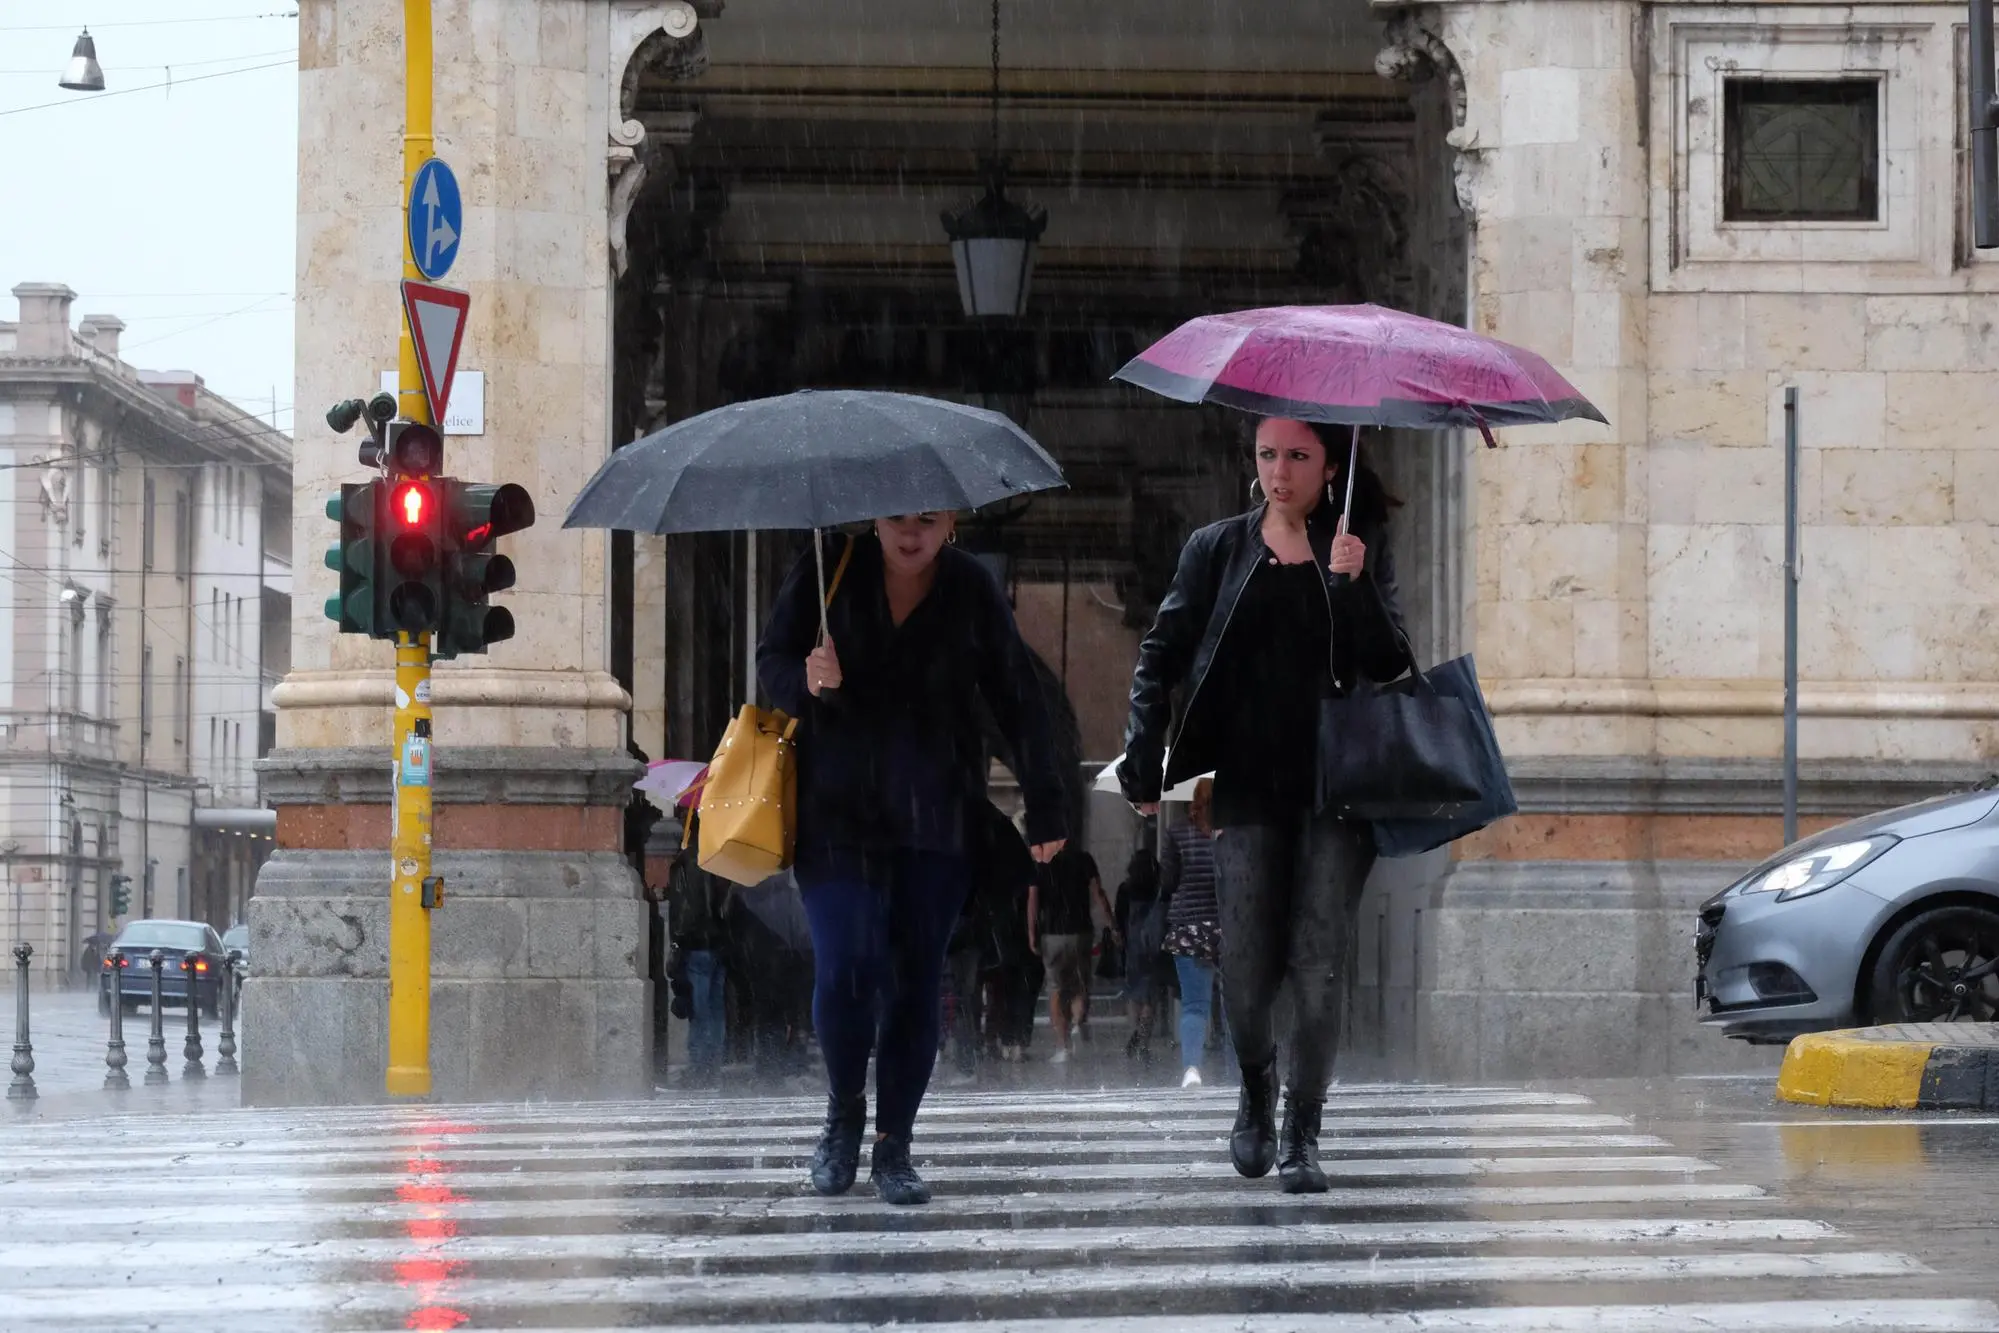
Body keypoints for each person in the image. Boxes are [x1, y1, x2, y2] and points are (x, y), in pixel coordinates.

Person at [1119, 417, 1409, 1194]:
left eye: (1297, 456)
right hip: (1246, 785)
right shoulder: (1217, 547)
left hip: (1336, 788)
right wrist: (1143, 757)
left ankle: (1301, 1130)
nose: (1280, 471)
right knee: (1245, 973)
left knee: (1316, 969)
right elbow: (1162, 653)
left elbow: (1391, 662)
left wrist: (1352, 586)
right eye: (1267, 455)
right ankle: (1254, 1085)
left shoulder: (1359, 543)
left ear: (1330, 464)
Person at [758, 513, 1068, 1206]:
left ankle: (893, 1143)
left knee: (914, 980)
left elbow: (1018, 697)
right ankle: (843, 1110)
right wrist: (805, 679)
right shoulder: (826, 566)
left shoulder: (972, 590)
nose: (910, 533)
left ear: (950, 521)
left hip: (936, 818)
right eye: (898, 517)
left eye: (927, 519)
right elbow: (770, 663)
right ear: (875, 516)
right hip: (836, 814)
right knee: (844, 966)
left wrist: (1048, 804)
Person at [1160, 777, 1230, 1087]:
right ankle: (1238, 1071)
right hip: (1229, 926)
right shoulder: (1232, 832)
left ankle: (1192, 1069)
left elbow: (1168, 882)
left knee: (1194, 1004)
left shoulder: (1177, 831)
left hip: (1188, 926)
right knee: (1234, 1006)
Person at [1026, 843, 1112, 1063]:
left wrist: (1031, 932)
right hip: (1080, 931)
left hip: (1052, 934)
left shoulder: (1040, 864)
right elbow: (1097, 892)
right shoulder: (1084, 859)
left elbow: (1033, 900)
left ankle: (1063, 1047)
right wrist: (1111, 923)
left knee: (1056, 988)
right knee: (1080, 982)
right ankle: (1077, 1021)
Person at [666, 813, 730, 1084]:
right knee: (714, 1007)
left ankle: (699, 1065)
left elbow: (689, 909)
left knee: (699, 1008)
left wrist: (679, 938)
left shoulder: (689, 862)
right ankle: (712, 1062)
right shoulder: (720, 858)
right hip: (719, 943)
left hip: (698, 944)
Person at [1114, 841, 1167, 1065]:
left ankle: (1135, 1031)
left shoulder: (1125, 889)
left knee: (1133, 991)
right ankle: (1142, 1041)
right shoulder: (1158, 887)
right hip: (1154, 946)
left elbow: (1119, 920)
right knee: (1150, 996)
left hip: (1133, 948)